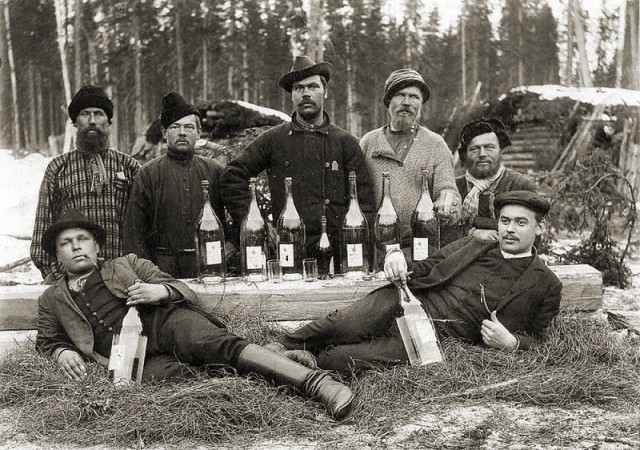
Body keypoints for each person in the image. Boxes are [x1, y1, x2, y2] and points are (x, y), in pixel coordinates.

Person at [35, 208, 354, 420]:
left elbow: (183, 289)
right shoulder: (52, 299)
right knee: (194, 381)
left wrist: (159, 292)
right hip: (129, 359)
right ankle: (278, 361)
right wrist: (61, 351)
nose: (76, 247)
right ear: (58, 254)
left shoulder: (127, 263)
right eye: (66, 243)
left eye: (82, 239)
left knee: (216, 347)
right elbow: (47, 341)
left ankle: (318, 385)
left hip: (164, 322)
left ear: (95, 245)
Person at [271, 191, 562, 371]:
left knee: (342, 359)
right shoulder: (475, 244)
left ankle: (310, 360)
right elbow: (426, 267)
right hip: (407, 299)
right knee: (343, 324)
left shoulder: (546, 283)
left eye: (520, 223)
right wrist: (397, 259)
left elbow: (538, 339)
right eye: (505, 221)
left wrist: (511, 343)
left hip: (433, 338)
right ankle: (281, 347)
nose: (510, 230)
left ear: (539, 227)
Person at [220, 56, 375, 266]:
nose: (306, 94)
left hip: (339, 255)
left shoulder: (345, 142)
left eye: (313, 86)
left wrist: (360, 251)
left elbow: (364, 203)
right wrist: (257, 223)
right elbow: (233, 177)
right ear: (292, 96)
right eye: (298, 88)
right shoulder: (274, 139)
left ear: (325, 92)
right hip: (289, 251)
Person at [31, 85, 140, 283]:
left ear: (109, 121)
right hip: (72, 277)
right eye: (84, 114)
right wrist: (53, 274)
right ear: (74, 121)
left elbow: (142, 225)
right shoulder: (57, 168)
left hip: (122, 277)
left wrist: (134, 272)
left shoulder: (129, 166)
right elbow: (43, 225)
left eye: (98, 114)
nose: (92, 121)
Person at [123, 92, 235, 278]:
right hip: (162, 270)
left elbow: (237, 212)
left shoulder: (215, 171)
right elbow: (134, 232)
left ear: (199, 133)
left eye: (189, 127)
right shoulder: (148, 174)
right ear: (164, 132)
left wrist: (232, 243)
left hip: (210, 266)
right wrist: (147, 274)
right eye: (175, 127)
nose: (182, 132)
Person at [360, 69, 460, 249]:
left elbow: (447, 190)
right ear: (388, 101)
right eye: (400, 95)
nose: (407, 103)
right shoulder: (369, 143)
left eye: (414, 97)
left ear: (421, 103)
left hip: (422, 247)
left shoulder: (435, 145)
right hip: (378, 247)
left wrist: (447, 203)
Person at [441, 118, 537, 246]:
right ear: (465, 155)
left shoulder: (520, 186)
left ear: (500, 151)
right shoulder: (452, 187)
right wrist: (472, 234)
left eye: (489, 147)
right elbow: (439, 236)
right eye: (474, 149)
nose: (482, 154)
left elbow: (531, 238)